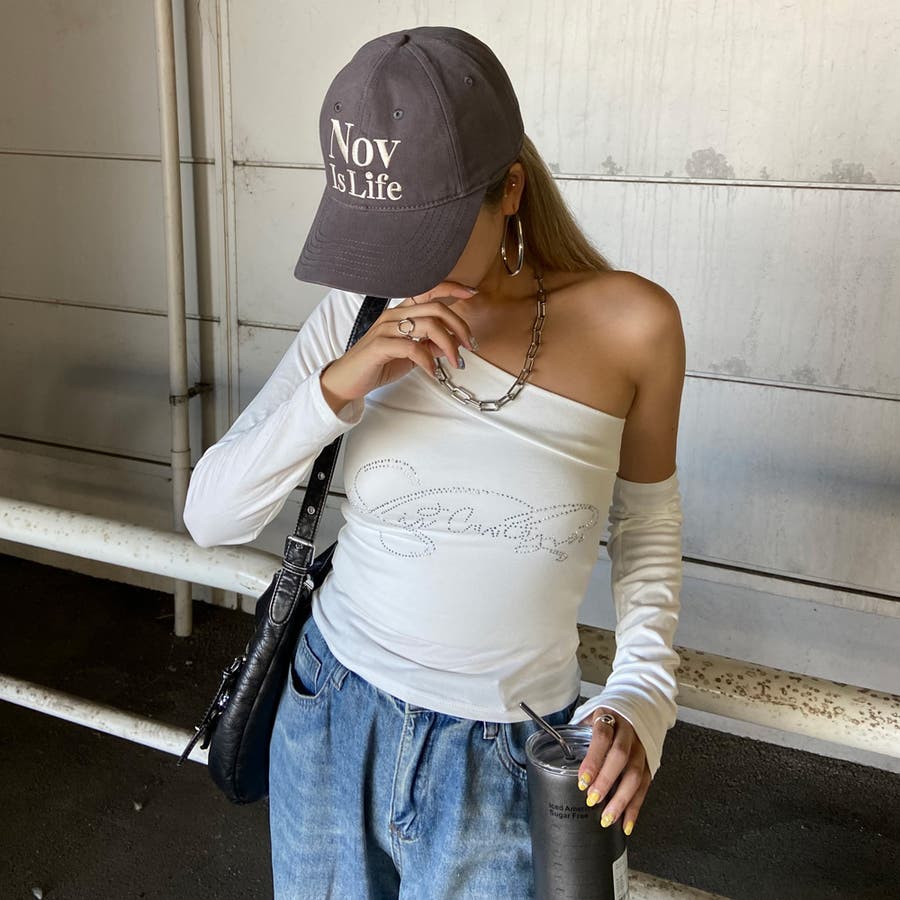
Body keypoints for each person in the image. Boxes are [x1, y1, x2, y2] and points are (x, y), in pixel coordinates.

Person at [183, 25, 685, 900]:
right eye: (376, 237)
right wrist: (338, 386)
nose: (397, 269)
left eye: (426, 234)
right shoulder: (358, 311)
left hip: (508, 753)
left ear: (511, 190)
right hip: (331, 716)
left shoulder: (633, 327)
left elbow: (647, 529)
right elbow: (211, 516)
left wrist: (643, 693)